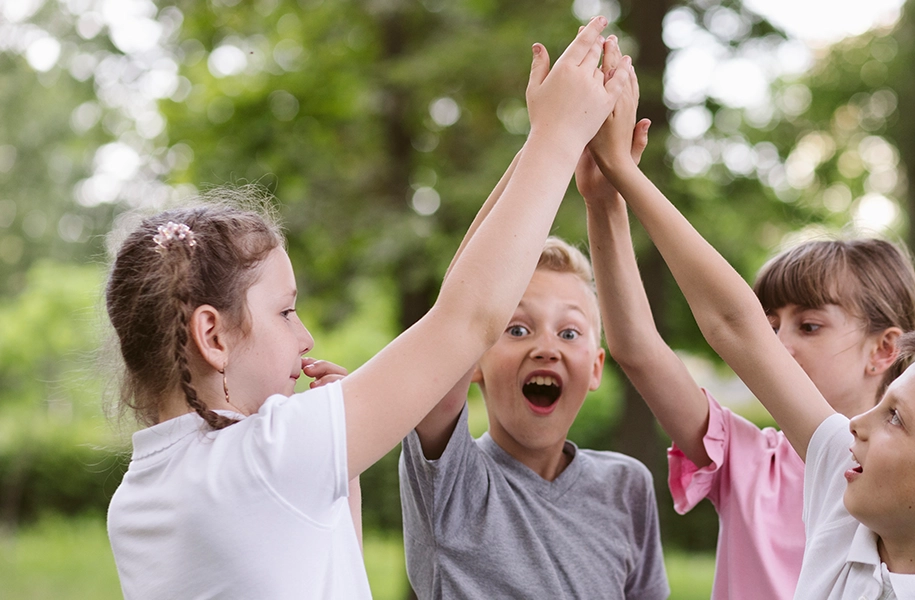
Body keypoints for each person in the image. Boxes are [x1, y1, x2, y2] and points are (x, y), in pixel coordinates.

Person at [103, 18, 630, 598]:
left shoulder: (140, 498)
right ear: (213, 335)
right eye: (285, 313)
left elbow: (332, 568)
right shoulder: (269, 458)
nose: (304, 338)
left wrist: (340, 476)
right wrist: (556, 137)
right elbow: (465, 319)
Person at [587, 61, 915, 600]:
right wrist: (617, 181)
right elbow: (728, 325)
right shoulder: (847, 489)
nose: (858, 429)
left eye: (895, 416)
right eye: (772, 322)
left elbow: (736, 327)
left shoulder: (862, 499)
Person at [580, 49, 915, 600]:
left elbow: (730, 322)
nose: (778, 344)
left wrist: (626, 172)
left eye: (809, 326)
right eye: (771, 324)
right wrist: (605, 203)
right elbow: (638, 349)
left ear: (884, 349)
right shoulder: (749, 458)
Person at [399, 42, 668, 597]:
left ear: (595, 368)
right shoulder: (449, 480)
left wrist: (604, 192)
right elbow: (458, 312)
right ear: (474, 360)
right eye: (517, 329)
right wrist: (549, 140)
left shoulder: (627, 487)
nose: (546, 347)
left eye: (569, 331)